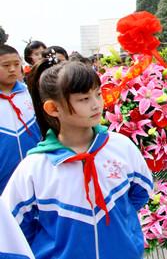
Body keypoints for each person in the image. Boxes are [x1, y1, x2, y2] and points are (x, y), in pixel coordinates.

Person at [1, 59, 153, 259]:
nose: (96, 104)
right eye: (84, 99)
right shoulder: (35, 167)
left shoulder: (121, 146)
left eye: (98, 94)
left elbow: (140, 194)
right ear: (53, 109)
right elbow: (13, 227)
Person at [0, 45, 41, 193]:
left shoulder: (31, 93)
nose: (12, 69)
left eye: (16, 64)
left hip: (34, 171)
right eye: (6, 65)